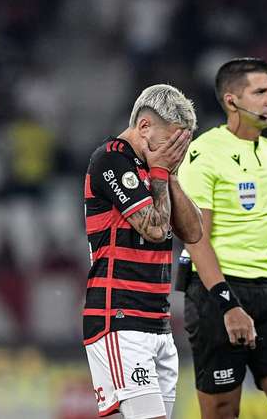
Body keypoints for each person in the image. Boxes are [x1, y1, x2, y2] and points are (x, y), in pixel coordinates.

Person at [178, 58, 267, 419]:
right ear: (231, 101)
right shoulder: (203, 153)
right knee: (223, 413)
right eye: (260, 91)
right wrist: (228, 305)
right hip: (217, 297)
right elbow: (196, 240)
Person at [82, 84, 202, 419]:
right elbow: (153, 228)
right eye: (172, 142)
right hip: (119, 317)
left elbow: (193, 232)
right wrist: (161, 173)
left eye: (182, 146)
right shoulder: (110, 159)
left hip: (158, 323)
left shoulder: (159, 167)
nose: (175, 152)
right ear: (145, 126)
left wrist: (171, 175)